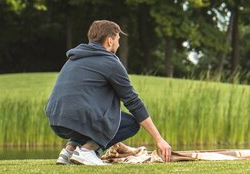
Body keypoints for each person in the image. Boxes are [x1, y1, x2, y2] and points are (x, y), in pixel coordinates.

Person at [46, 20, 171, 165]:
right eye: (118, 39)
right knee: (130, 123)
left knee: (93, 113)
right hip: (78, 117)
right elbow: (132, 101)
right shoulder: (110, 62)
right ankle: (88, 151)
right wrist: (159, 139)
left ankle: (69, 151)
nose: (119, 43)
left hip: (56, 118)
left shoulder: (74, 58)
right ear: (110, 41)